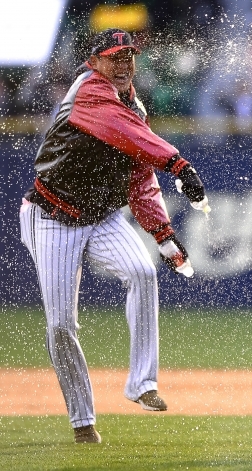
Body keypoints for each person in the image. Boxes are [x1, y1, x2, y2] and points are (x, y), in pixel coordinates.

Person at [19, 29, 209, 444]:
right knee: (61, 324)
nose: (124, 64)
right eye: (115, 57)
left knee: (142, 271)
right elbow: (134, 138)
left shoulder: (133, 106)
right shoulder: (89, 92)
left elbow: (140, 179)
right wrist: (178, 164)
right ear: (95, 61)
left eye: (130, 57)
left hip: (100, 217)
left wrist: (163, 235)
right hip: (51, 213)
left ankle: (142, 384)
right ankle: (82, 421)